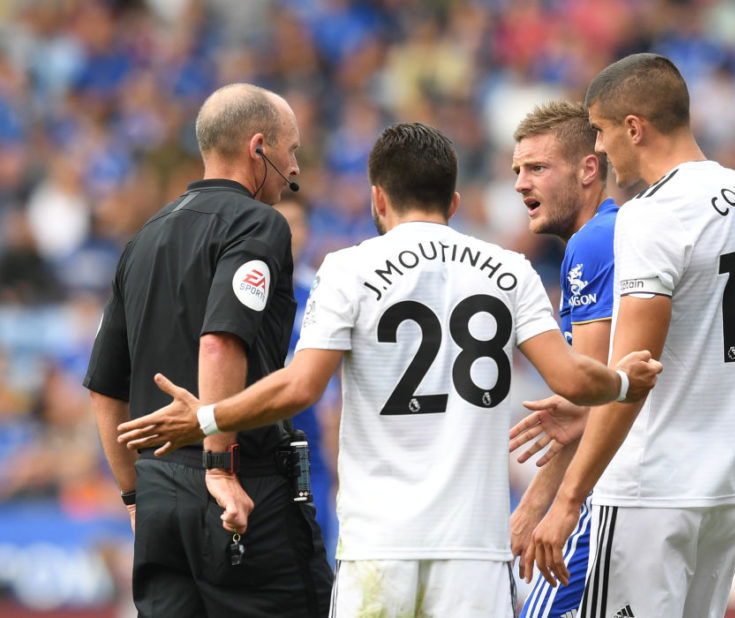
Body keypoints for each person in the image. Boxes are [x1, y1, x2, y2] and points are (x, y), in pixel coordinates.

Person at [117, 122, 663, 616]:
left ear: (378, 199)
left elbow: (301, 386)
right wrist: (623, 381)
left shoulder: (346, 269)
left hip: (379, 548)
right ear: (452, 201)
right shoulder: (510, 270)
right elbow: (572, 380)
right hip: (473, 552)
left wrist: (208, 416)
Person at [519, 53, 735, 618]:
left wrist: (567, 500)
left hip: (649, 490)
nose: (603, 149)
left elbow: (633, 374)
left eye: (605, 133)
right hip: (725, 491)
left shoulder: (651, 213)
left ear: (634, 127)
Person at [84, 83, 333, 617]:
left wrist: (134, 497)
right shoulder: (259, 223)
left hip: (159, 497)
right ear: (258, 146)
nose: (295, 171)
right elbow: (220, 342)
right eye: (292, 152)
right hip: (241, 487)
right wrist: (220, 468)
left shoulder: (145, 236)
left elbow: (104, 389)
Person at [508, 100, 643, 618]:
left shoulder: (592, 243)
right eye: (518, 170)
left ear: (590, 168)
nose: (521, 184)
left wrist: (535, 506)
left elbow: (585, 402)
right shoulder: (619, 233)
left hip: (608, 492)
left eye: (538, 168)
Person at [273, 193, 340, 566]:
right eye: (279, 226)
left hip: (305, 449)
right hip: (250, 444)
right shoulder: (237, 294)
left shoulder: (322, 293)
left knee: (311, 556)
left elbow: (336, 382)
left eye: (296, 225)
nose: (289, 236)